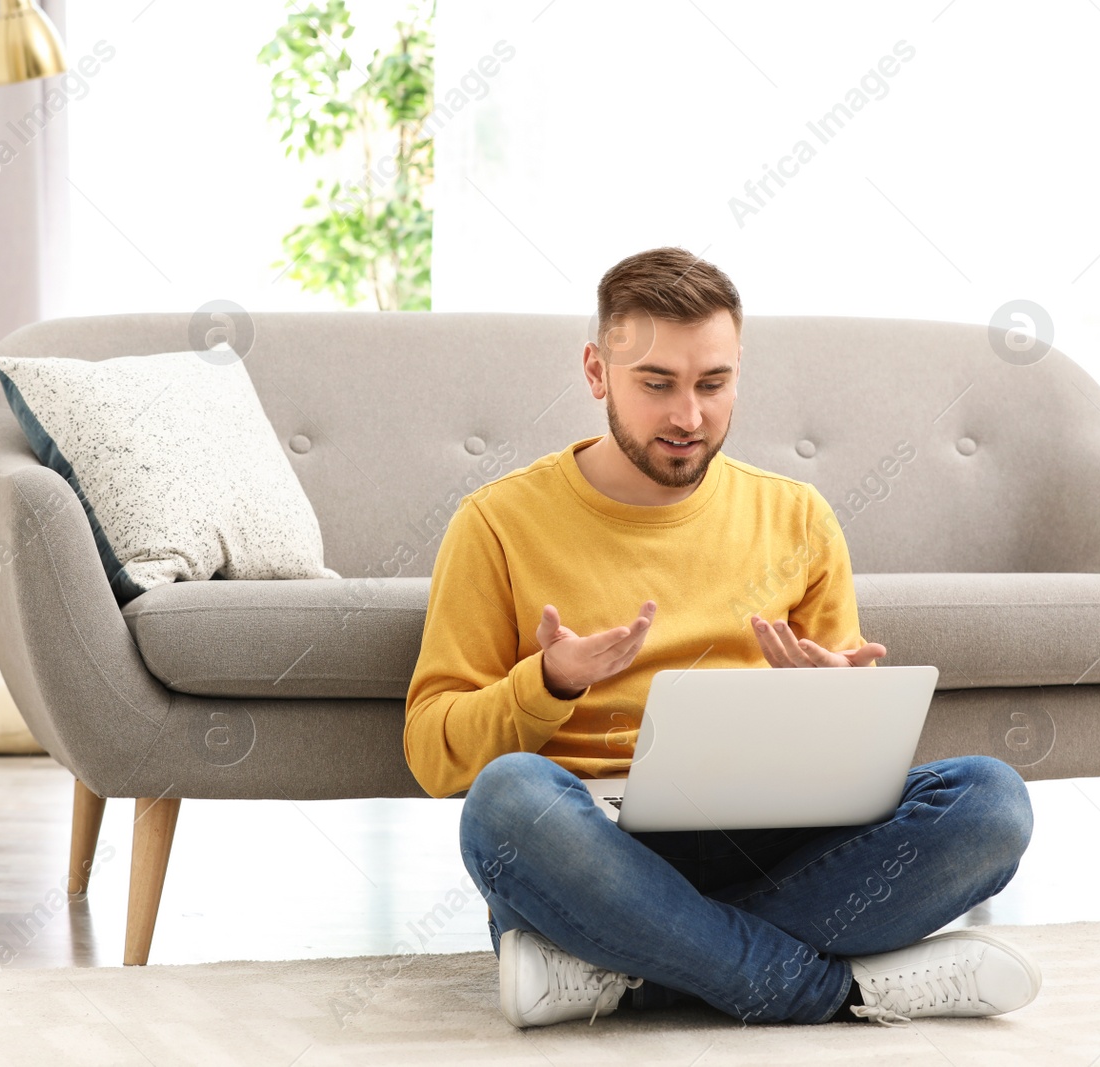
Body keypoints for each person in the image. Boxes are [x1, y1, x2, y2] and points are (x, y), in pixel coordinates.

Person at [402, 246, 1041, 1029]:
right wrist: (550, 683)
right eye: (657, 384)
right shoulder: (496, 523)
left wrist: (834, 705)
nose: (689, 416)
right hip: (593, 846)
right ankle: (837, 990)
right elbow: (435, 755)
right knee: (505, 803)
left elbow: (854, 766)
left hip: (773, 837)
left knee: (991, 802)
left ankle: (630, 967)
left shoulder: (798, 516)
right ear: (597, 372)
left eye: (713, 383)